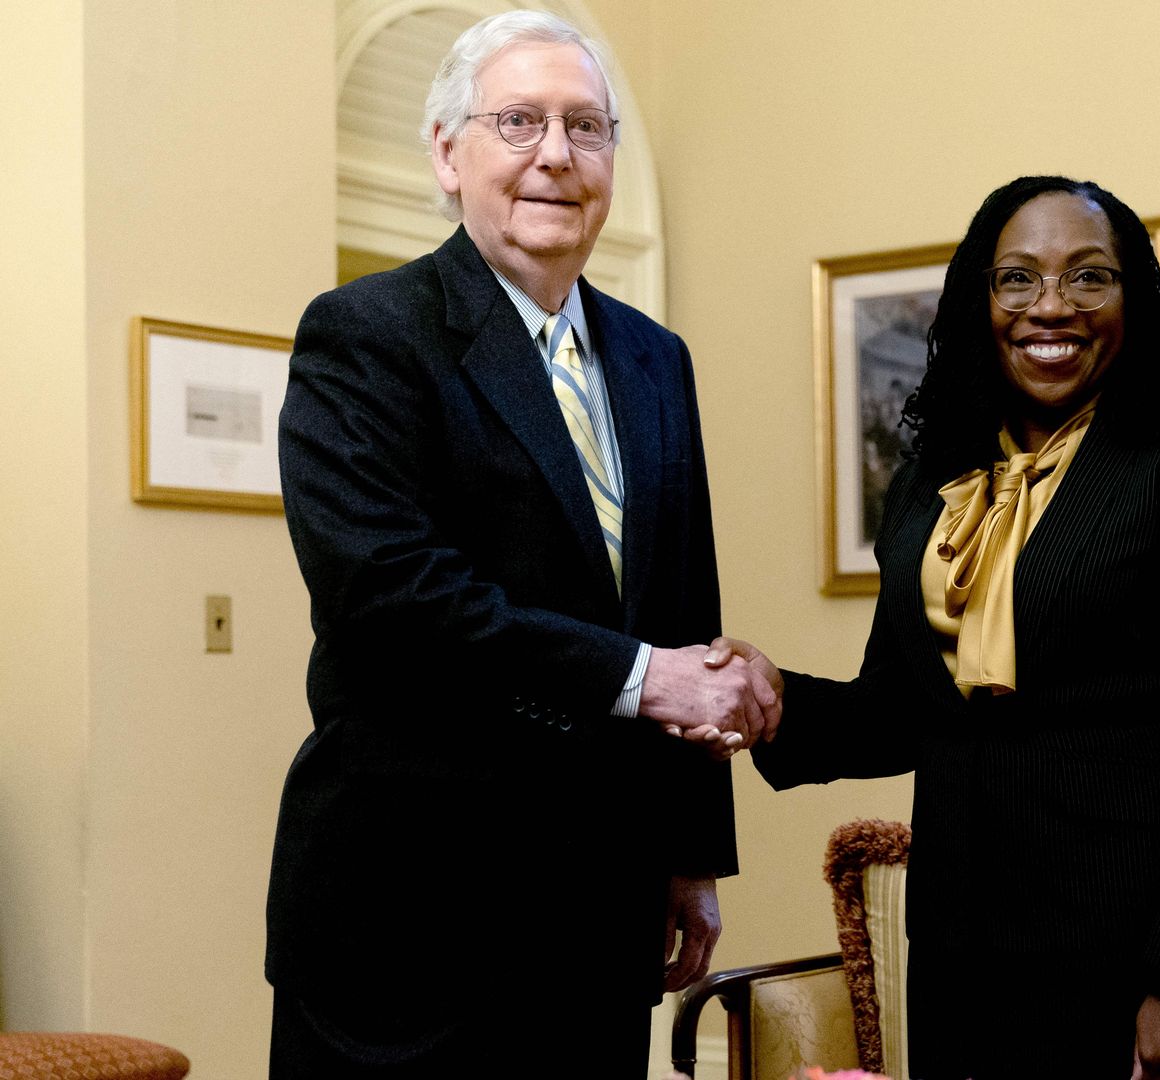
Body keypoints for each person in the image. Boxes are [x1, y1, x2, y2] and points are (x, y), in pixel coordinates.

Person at [265, 11, 775, 1075]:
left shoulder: (654, 359)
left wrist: (689, 857)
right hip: (407, 922)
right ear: (449, 154)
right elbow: (392, 595)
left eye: (586, 127)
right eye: (519, 121)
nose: (555, 154)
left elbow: (681, 610)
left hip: (598, 919)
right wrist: (638, 678)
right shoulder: (366, 335)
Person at [736, 176, 1160, 1079]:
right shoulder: (931, 485)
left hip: (1131, 955)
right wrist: (771, 700)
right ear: (979, 300)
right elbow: (901, 709)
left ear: (1132, 298)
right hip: (963, 947)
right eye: (1018, 279)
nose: (1052, 307)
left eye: (1089, 277)